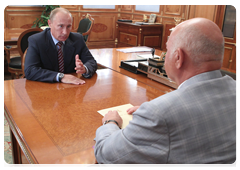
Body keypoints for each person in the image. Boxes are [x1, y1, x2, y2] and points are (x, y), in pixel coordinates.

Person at [94, 18, 238, 166]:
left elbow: (108, 155)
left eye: (167, 49)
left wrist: (110, 123)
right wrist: (151, 116)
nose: (164, 54)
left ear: (178, 58)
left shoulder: (160, 114)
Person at [24, 8, 97, 85]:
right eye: (60, 26)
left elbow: (92, 62)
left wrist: (84, 69)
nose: (65, 32)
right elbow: (30, 70)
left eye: (68, 26)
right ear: (50, 24)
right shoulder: (36, 40)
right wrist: (61, 76)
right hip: (46, 87)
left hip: (71, 88)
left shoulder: (77, 39)